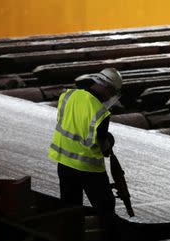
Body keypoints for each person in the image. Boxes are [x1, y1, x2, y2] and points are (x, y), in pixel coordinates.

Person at [48, 68, 122, 241]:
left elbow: (65, 123)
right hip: (88, 168)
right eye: (111, 93)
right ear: (108, 88)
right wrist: (110, 142)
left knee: (70, 209)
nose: (110, 98)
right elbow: (103, 147)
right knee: (106, 209)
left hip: (64, 163)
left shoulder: (68, 96)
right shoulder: (100, 112)